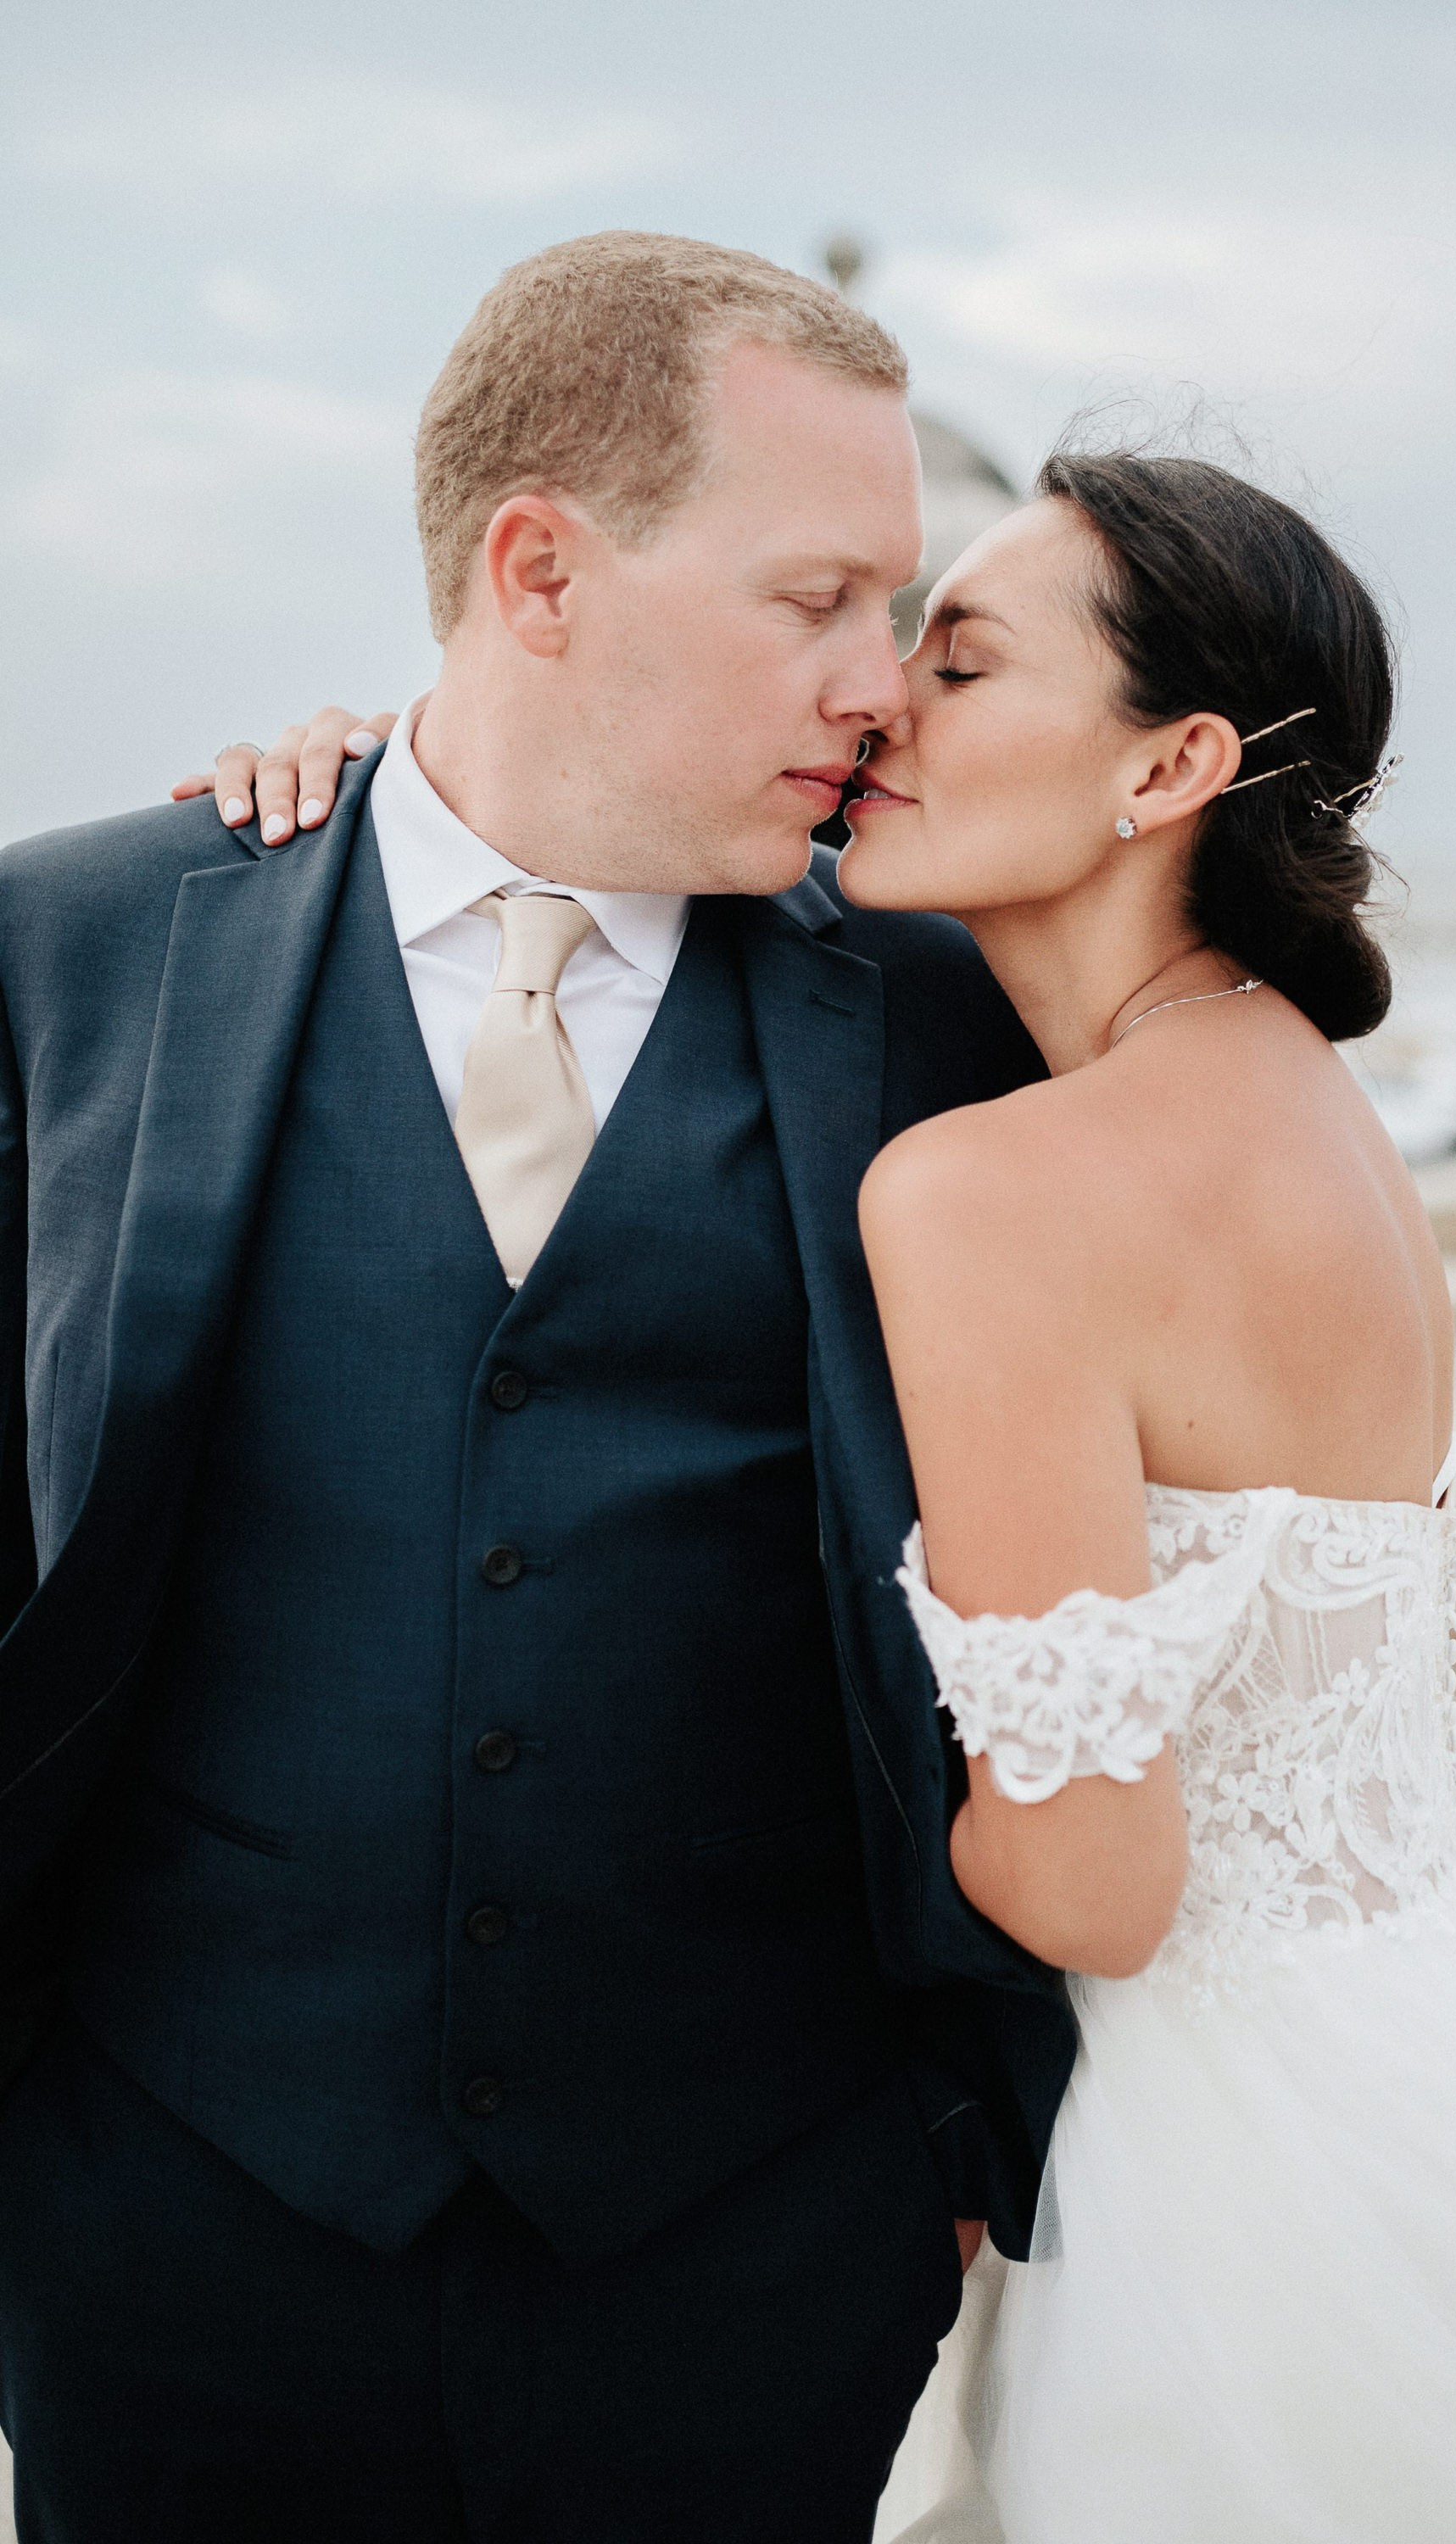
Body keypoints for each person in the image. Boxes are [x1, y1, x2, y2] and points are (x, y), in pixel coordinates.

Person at [165, 387, 1456, 2542]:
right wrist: (367, 793)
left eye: (960, 660)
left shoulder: (1003, 1191)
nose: (880, 695)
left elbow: (1093, 1878)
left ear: (1170, 767)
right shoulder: (1307, 1094)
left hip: (1235, 2181)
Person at [0, 233, 1075, 2544]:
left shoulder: (941, 1023)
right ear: (539, 571)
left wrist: (938, 2135)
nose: (874, 686)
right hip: (155, 2236)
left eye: (898, 612)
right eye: (816, 598)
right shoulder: (74, 954)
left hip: (751, 2255)